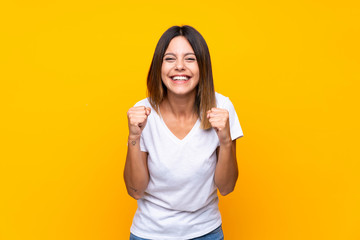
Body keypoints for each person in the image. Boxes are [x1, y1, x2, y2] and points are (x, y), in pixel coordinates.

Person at [124, 25, 244, 240]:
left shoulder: (222, 107)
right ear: (159, 67)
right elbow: (135, 191)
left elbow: (226, 188)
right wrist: (134, 138)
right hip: (149, 234)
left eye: (190, 59)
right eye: (170, 59)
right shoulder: (143, 113)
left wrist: (225, 141)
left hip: (206, 232)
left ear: (203, 67)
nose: (179, 66)